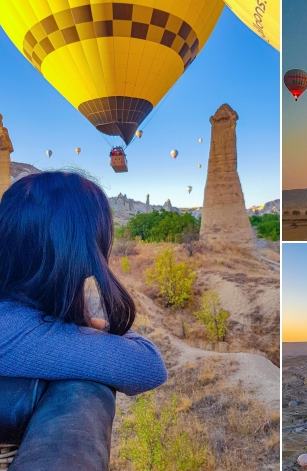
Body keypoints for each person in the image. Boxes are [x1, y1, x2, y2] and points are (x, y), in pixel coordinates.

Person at [0, 172, 167, 470]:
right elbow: (147, 364)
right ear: (83, 255)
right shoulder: (18, 331)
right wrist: (89, 326)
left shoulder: (11, 316)